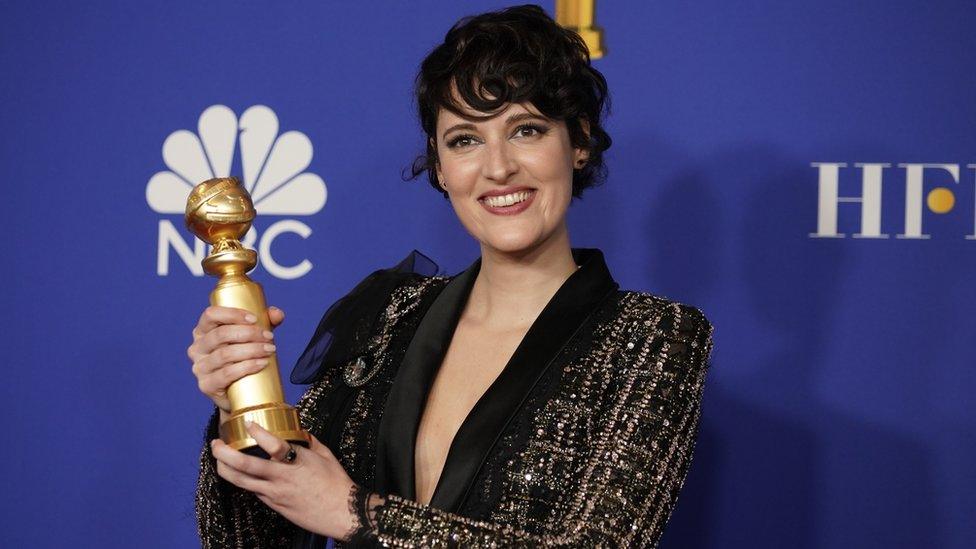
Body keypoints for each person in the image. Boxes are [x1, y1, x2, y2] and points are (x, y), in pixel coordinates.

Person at [189, 5, 713, 548]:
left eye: (526, 130)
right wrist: (240, 404)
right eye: (465, 139)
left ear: (578, 142)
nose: (498, 167)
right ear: (439, 166)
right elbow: (251, 541)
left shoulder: (653, 337)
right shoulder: (392, 316)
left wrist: (360, 515)